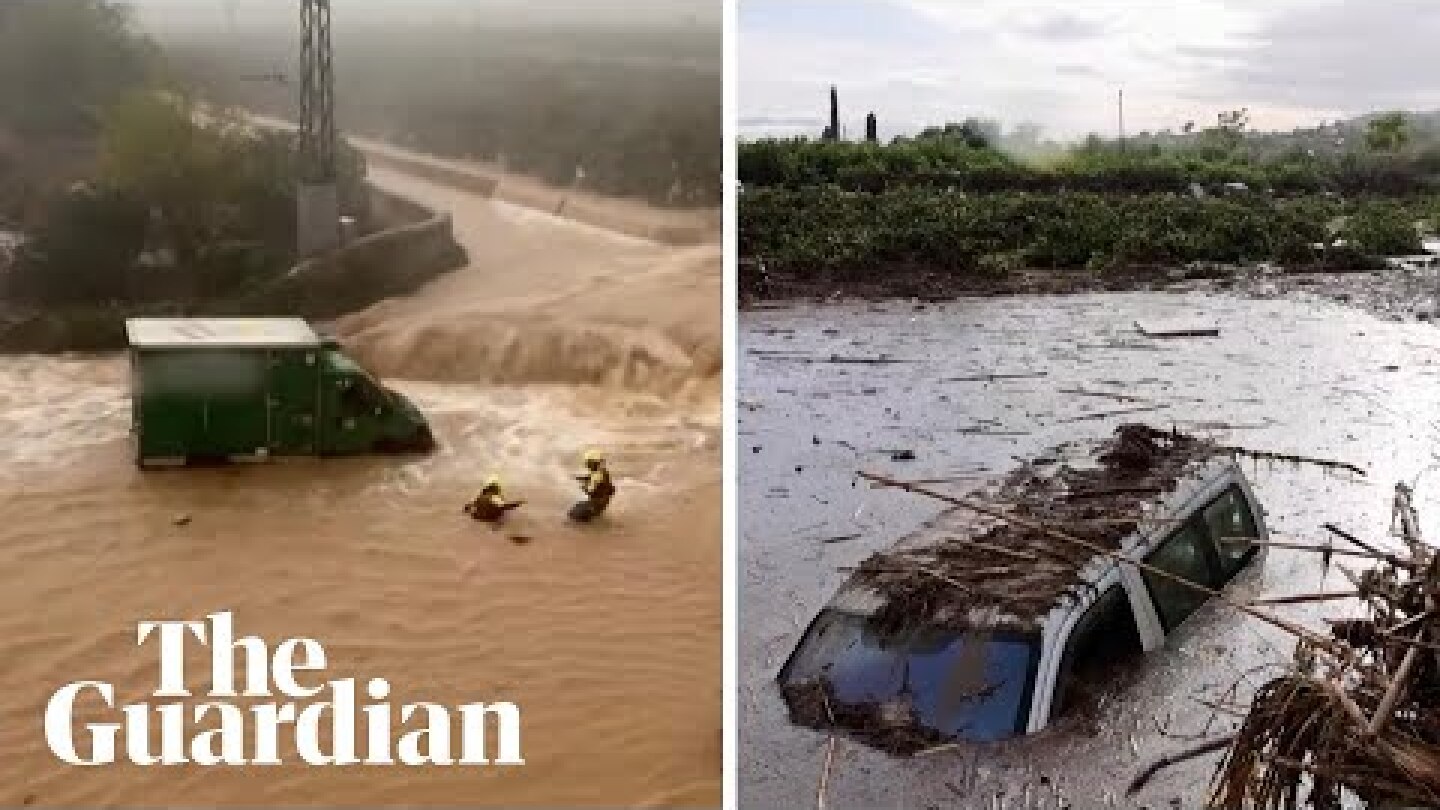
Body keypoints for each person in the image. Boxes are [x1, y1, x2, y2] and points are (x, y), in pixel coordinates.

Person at [569, 449, 615, 523]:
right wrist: (579, 478)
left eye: (588, 463)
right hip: (602, 504)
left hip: (595, 505)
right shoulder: (602, 472)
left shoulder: (596, 476)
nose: (587, 465)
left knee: (572, 515)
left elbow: (590, 491)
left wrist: (584, 487)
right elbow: (590, 477)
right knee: (577, 506)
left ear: (594, 463)